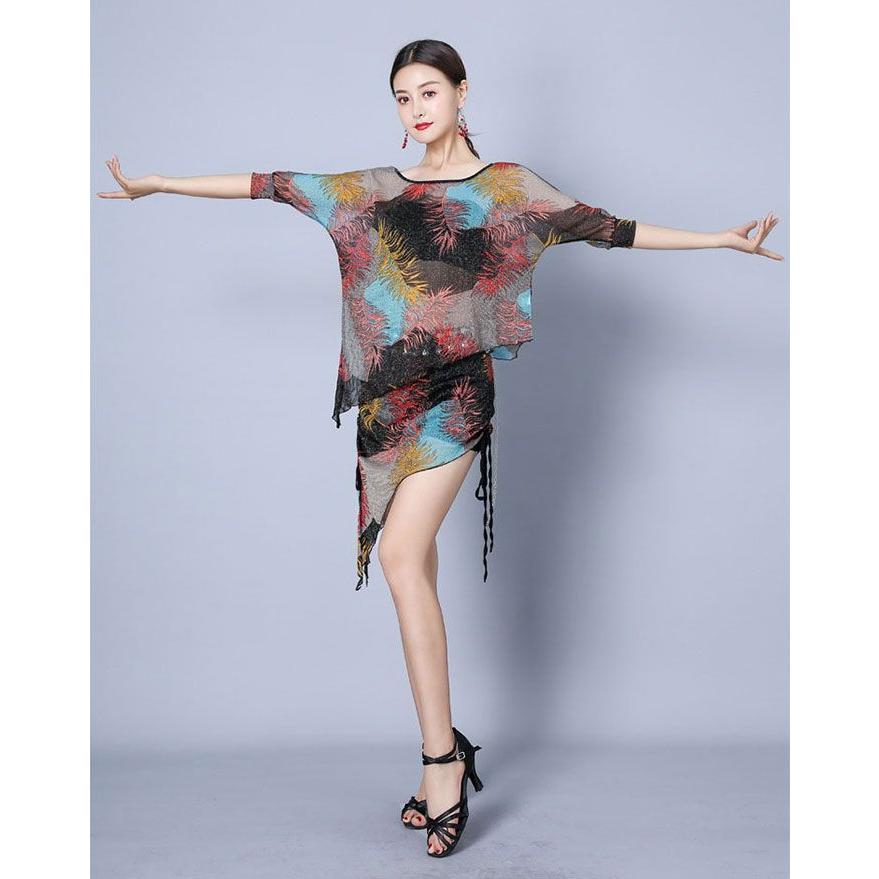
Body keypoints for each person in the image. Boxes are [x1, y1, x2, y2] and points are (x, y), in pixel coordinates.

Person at [97, 37, 783, 858]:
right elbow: (271, 184)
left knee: (398, 556)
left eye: (428, 90)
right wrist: (163, 183)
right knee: (411, 568)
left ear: (461, 92)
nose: (416, 107)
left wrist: (718, 240)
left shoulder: (510, 188)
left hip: (456, 396)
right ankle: (442, 749)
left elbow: (608, 228)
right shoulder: (369, 190)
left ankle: (441, 762)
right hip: (387, 400)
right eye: (401, 95)